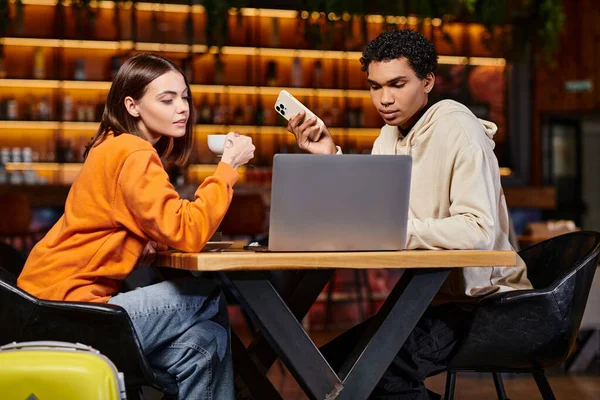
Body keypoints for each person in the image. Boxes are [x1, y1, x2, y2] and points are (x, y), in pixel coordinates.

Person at [286, 29, 532, 400]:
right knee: (327, 366)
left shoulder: (459, 129)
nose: (384, 99)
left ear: (428, 81)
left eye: (397, 84)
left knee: (368, 377)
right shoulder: (389, 137)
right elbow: (371, 212)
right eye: (374, 86)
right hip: (430, 300)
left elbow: (478, 230)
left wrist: (393, 232)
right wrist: (330, 156)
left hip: (487, 304)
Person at [17, 54, 255, 400]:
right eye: (167, 99)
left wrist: (136, 242)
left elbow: (112, 222)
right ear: (132, 105)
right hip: (67, 313)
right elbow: (187, 232)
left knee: (206, 344)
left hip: (42, 306)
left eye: (184, 96)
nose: (182, 108)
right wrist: (227, 168)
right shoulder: (133, 152)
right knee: (206, 297)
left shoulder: (111, 145)